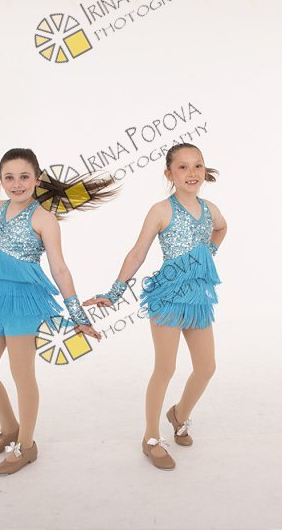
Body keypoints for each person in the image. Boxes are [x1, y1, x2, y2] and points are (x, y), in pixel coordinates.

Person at [0, 148, 108, 476]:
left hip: (25, 304)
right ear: (1, 180)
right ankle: (10, 429)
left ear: (37, 180)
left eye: (24, 177)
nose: (17, 184)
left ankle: (26, 446)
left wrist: (78, 316)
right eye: (9, 177)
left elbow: (60, 269)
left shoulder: (43, 219)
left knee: (21, 374)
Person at [84, 143, 227, 471]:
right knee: (165, 368)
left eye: (197, 165)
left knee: (206, 367)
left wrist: (208, 255)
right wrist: (115, 292)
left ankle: (179, 414)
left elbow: (221, 228)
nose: (192, 173)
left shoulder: (210, 209)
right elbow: (138, 252)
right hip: (167, 297)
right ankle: (150, 438)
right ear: (169, 173)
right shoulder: (161, 210)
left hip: (198, 297)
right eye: (183, 167)